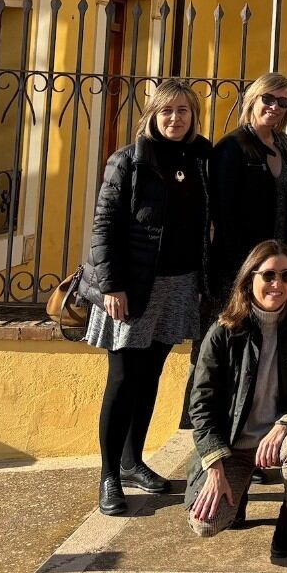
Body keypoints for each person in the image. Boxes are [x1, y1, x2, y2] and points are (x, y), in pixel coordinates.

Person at [85, 77, 214, 517]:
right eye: (167, 111)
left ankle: (133, 460)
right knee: (123, 379)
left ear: (194, 116)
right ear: (152, 116)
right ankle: (108, 476)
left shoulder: (201, 159)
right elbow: (103, 227)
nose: (175, 119)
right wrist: (111, 286)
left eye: (183, 111)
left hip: (179, 285)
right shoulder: (128, 161)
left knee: (151, 375)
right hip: (133, 286)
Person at [184, 241, 287, 560]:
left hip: (281, 439)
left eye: (286, 276)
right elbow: (201, 405)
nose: (277, 284)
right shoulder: (223, 331)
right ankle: (236, 491)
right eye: (269, 275)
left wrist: (286, 422)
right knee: (205, 523)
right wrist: (214, 467)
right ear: (249, 278)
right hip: (233, 445)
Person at [209, 73, 287, 310]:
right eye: (268, 98)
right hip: (240, 264)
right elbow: (224, 216)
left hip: (280, 262)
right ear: (253, 98)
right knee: (229, 332)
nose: (275, 107)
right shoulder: (231, 147)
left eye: (283, 102)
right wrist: (245, 266)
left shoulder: (284, 143)